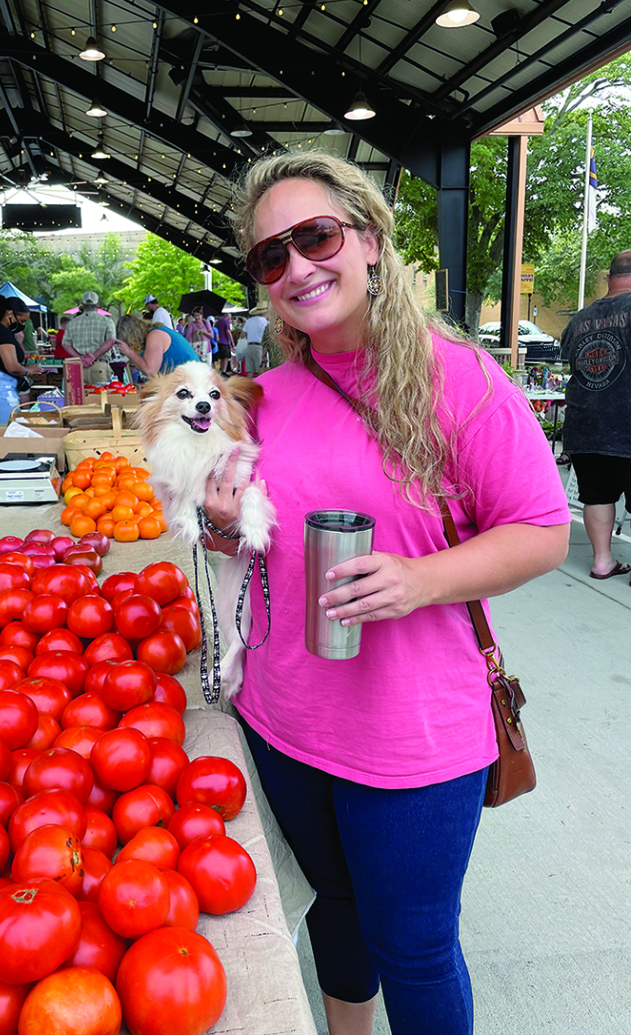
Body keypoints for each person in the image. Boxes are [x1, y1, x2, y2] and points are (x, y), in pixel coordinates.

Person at [202, 151, 571, 1035]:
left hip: (413, 739)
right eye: (270, 257)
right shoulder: (262, 398)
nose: (297, 266)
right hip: (284, 719)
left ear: (368, 241)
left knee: (413, 948)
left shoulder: (462, 380)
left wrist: (419, 580)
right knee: (331, 912)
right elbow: (251, 543)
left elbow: (542, 530)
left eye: (316, 236)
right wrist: (219, 523)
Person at [559, 250, 631, 579]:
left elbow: (571, 362)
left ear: (608, 277)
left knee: (596, 495)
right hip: (627, 422)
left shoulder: (579, 319)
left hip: (586, 423)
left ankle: (602, 561)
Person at [0, 295, 42, 423]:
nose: (22, 325)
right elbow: (11, 365)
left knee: (8, 428)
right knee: (8, 431)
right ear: (10, 314)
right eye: (21, 321)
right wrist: (28, 370)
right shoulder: (1, 332)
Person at [115, 314, 199, 377]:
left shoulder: (155, 335)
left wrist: (129, 352)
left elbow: (150, 371)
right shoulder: (155, 333)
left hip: (192, 378)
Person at [61, 292, 116, 384]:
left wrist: (80, 358)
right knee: (100, 397)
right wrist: (93, 356)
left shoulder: (72, 323)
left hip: (78, 366)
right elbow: (110, 341)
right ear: (98, 304)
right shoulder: (107, 321)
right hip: (99, 365)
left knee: (79, 397)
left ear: (82, 305)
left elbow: (65, 344)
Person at [242, 305, 268, 376]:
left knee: (250, 371)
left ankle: (249, 386)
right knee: (260, 371)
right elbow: (267, 337)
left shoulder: (249, 321)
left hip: (249, 346)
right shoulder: (265, 322)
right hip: (259, 347)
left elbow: (243, 335)